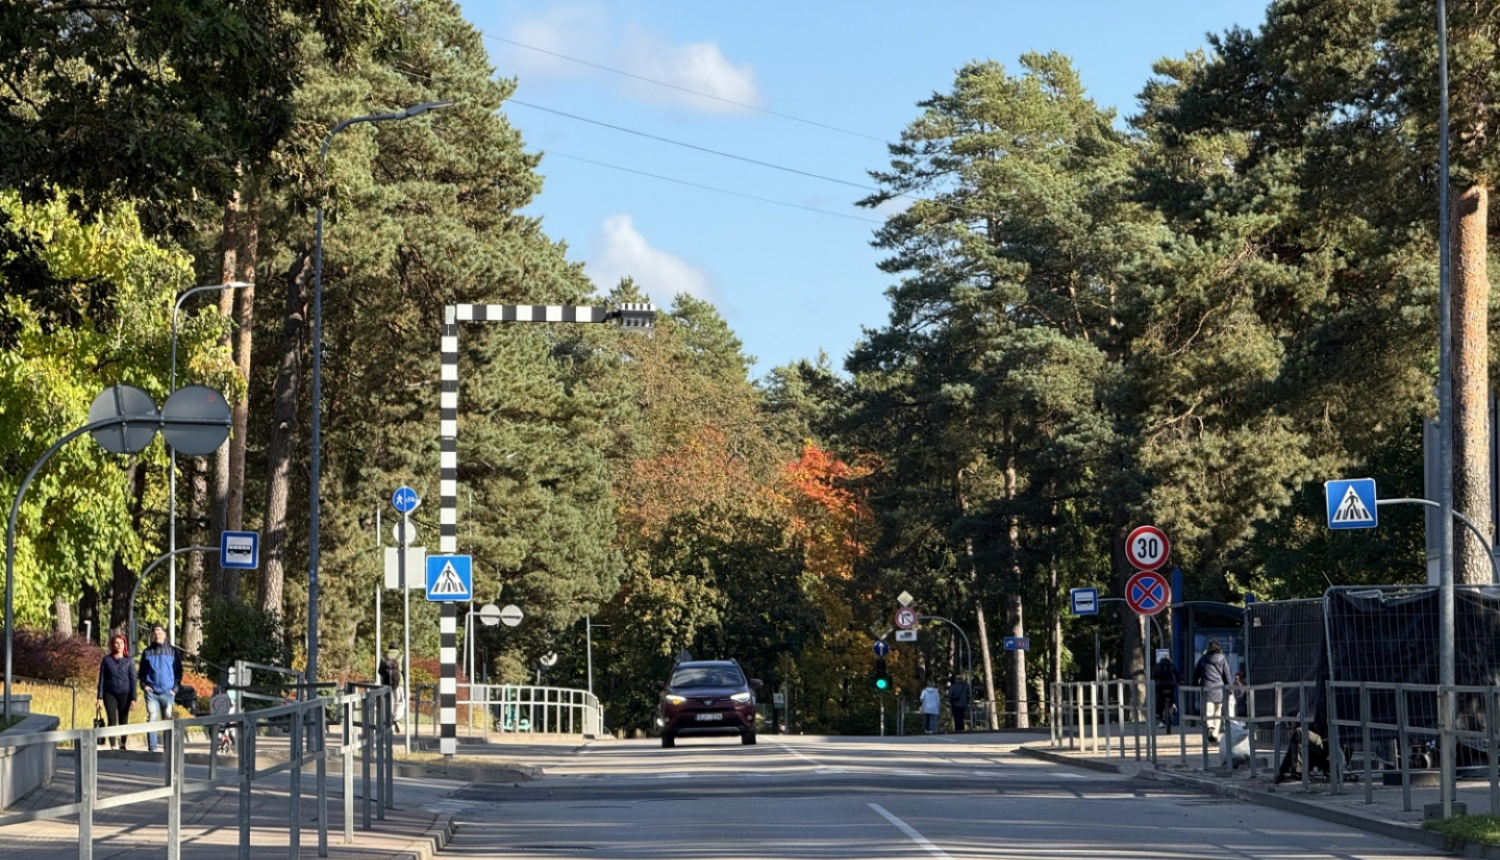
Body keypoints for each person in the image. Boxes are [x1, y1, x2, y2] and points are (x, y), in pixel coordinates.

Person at [138, 624, 183, 754]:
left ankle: (168, 749)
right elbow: (141, 673)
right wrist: (144, 686)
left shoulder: (173, 651)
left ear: (165, 634)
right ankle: (152, 749)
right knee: (152, 718)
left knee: (167, 721)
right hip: (152, 693)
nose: (157, 635)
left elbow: (179, 672)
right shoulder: (147, 652)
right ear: (152, 635)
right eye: (155, 633)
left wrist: (174, 689)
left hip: (168, 693)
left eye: (160, 633)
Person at [96, 633, 136, 749]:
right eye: (116, 643)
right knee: (112, 719)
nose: (119, 645)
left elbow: (133, 679)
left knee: (123, 719)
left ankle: (123, 743)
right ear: (112, 645)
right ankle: (113, 744)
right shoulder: (107, 660)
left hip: (125, 693)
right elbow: (102, 678)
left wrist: (133, 698)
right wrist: (100, 697)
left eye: (121, 643)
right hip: (110, 693)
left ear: (125, 645)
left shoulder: (129, 660)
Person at [1193, 639, 1231, 743]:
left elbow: (1196, 674)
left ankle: (1210, 726)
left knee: (1208, 711)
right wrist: (1230, 688)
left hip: (1207, 688)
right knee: (1218, 712)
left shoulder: (1203, 659)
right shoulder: (1222, 659)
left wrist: (1194, 684)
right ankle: (1214, 735)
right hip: (1219, 689)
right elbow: (1226, 675)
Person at [378, 648, 406, 732]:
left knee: (387, 703)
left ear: (389, 648)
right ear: (397, 648)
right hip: (398, 684)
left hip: (385, 684)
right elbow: (404, 672)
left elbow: (380, 671)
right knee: (399, 702)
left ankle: (387, 723)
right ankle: (396, 718)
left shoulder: (383, 656)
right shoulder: (401, 656)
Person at [1153, 655, 1180, 733]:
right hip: (1170, 684)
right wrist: (1180, 682)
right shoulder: (1171, 666)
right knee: (1171, 694)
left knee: (1160, 701)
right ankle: (1173, 704)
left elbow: (1154, 676)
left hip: (1160, 685)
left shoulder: (1157, 666)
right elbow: (1177, 675)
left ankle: (1161, 719)